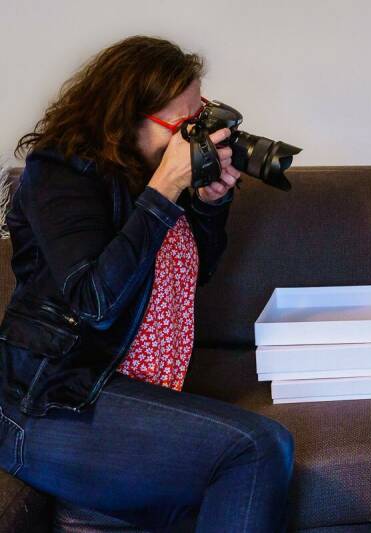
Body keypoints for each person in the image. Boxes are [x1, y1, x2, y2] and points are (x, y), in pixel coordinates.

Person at [0, 36, 293, 532]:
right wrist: (166, 188)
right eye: (183, 127)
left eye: (199, 118)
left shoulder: (147, 174)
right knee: (257, 446)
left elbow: (187, 278)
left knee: (229, 485)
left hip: (133, 392)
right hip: (52, 402)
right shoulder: (60, 173)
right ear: (125, 118)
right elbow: (95, 302)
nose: (194, 138)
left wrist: (211, 205)